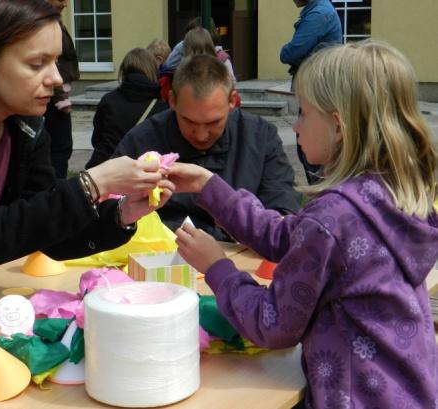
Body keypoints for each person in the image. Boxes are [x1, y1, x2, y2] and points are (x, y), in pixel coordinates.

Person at [170, 40, 438, 408]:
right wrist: (209, 187)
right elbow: (292, 238)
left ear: (338, 126)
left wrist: (218, 268)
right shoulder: (390, 196)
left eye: (303, 112)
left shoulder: (333, 219)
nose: (295, 126)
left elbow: (274, 322)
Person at [0, 0, 174, 292]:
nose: (56, 78)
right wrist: (94, 182)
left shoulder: (22, 124)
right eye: (37, 64)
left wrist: (123, 213)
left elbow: (48, 232)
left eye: (55, 62)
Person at [114, 54, 300, 242]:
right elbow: (110, 212)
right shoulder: (140, 141)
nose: (201, 135)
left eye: (214, 122)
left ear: (233, 101)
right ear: (171, 100)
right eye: (189, 121)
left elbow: (283, 215)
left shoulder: (260, 137)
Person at [280, 0, 342, 185]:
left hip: (318, 92)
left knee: (312, 150)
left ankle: (322, 195)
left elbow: (290, 53)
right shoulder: (317, 10)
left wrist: (285, 50)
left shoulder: (319, 14)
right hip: (316, 90)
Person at [85, 48, 168, 169]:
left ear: (124, 70)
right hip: (142, 170)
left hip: (104, 166)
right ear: (152, 71)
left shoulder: (108, 100)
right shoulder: (161, 107)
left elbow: (97, 139)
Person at [43, 0, 79, 178]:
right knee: (59, 146)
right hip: (53, 98)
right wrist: (60, 97)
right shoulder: (42, 22)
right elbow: (51, 65)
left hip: (56, 95)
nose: (65, 3)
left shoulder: (52, 20)